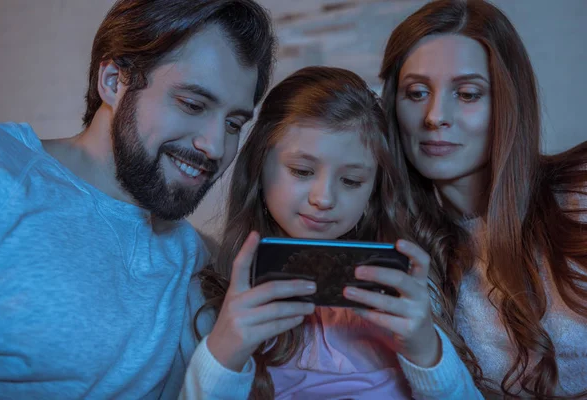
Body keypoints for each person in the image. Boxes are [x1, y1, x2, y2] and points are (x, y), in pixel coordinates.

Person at [0, 0, 276, 398]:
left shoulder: (195, 261)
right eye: (192, 104)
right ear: (112, 81)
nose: (214, 145)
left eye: (233, 123)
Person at [184, 66, 481, 399]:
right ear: (258, 167)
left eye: (352, 181)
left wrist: (427, 352)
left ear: (373, 193)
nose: (323, 199)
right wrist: (225, 351)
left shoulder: (402, 293)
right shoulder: (218, 298)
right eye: (302, 171)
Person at [379, 0, 587, 397]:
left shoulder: (579, 194)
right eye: (417, 92)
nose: (435, 116)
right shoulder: (406, 255)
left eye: (468, 93)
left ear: (507, 103)